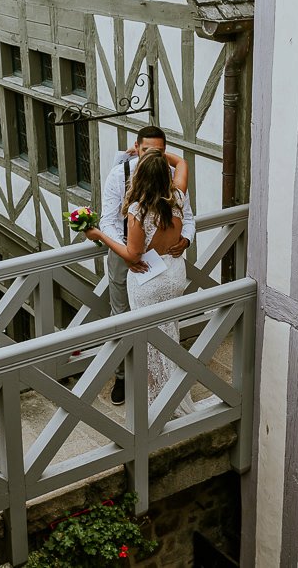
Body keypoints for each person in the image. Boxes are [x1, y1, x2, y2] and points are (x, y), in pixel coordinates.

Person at [85, 149, 196, 415]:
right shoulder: (178, 196)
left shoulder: (139, 210)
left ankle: (155, 405)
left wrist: (99, 234)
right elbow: (181, 161)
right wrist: (158, 154)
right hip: (174, 276)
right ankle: (174, 395)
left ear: (140, 176)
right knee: (170, 333)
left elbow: (132, 255)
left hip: (148, 281)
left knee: (148, 342)